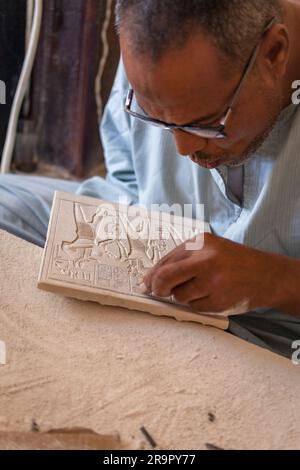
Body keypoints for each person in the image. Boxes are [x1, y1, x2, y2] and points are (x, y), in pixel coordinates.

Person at [1, 0, 300, 358]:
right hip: (155, 255)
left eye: (205, 123)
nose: (183, 148)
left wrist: (274, 279)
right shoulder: (157, 43)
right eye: (156, 118)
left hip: (274, 328)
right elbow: (127, 174)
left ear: (275, 52)